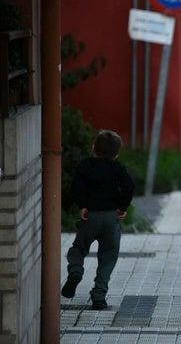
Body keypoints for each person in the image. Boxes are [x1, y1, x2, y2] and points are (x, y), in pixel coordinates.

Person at [61, 130, 134, 310]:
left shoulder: (84, 166)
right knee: (108, 256)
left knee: (78, 248)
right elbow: (129, 186)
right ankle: (99, 296)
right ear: (116, 154)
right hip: (111, 217)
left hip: (90, 216)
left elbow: (76, 186)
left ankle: (76, 271)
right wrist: (122, 207)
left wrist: (82, 205)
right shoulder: (118, 168)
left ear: (94, 148)